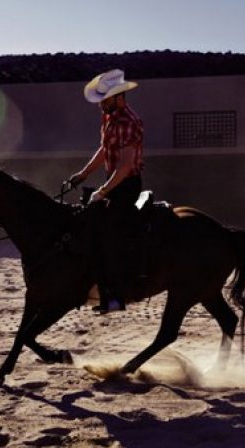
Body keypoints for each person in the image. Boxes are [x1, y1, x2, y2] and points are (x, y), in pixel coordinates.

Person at [69, 69, 144, 314]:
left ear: (118, 97)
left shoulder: (128, 122)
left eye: (104, 99)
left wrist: (101, 192)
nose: (100, 104)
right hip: (113, 183)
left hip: (125, 185)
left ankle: (114, 297)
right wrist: (83, 174)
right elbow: (104, 150)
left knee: (107, 236)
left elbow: (124, 167)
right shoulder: (110, 118)